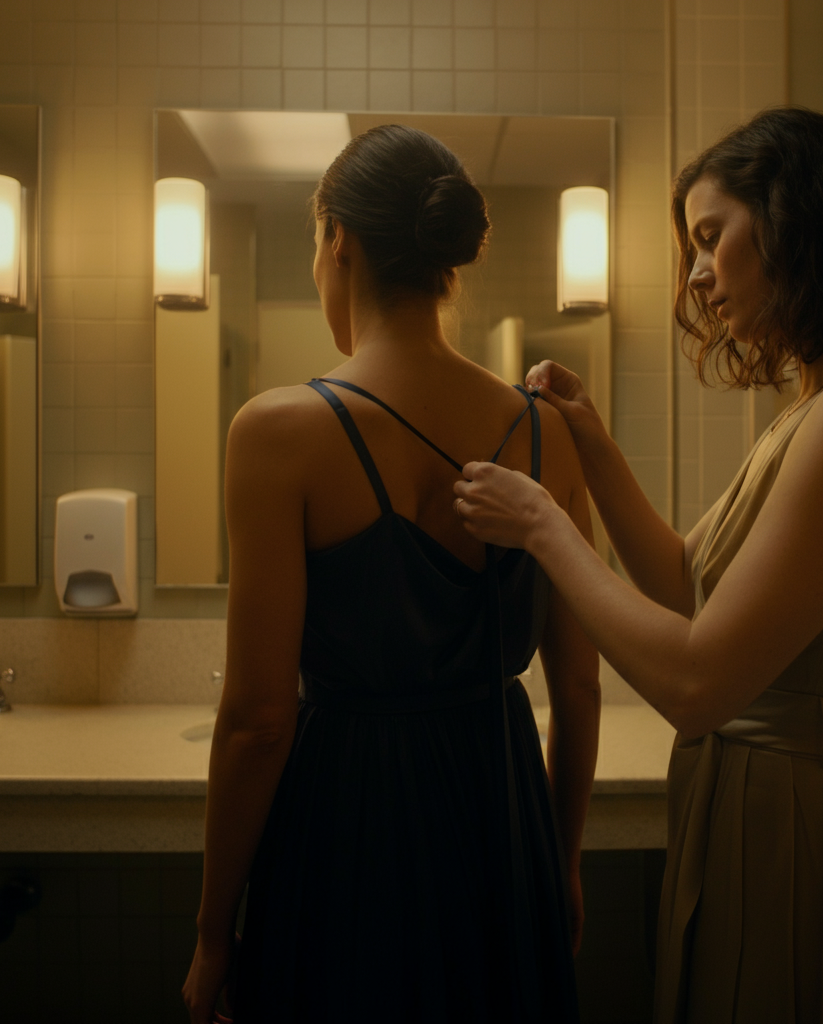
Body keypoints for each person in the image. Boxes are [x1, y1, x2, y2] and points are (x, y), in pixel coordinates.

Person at [453, 106, 823, 1023]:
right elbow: (689, 584)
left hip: (794, 832)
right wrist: (592, 445)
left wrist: (543, 528)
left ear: (795, 221)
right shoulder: (820, 406)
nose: (696, 274)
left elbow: (695, 682)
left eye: (711, 239)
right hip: (752, 810)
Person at [182, 124, 600, 1023]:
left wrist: (217, 932)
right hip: (503, 812)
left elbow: (257, 723)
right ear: (446, 261)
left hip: (348, 822)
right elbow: (578, 682)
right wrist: (558, 862)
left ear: (340, 241)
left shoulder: (277, 431)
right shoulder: (546, 431)